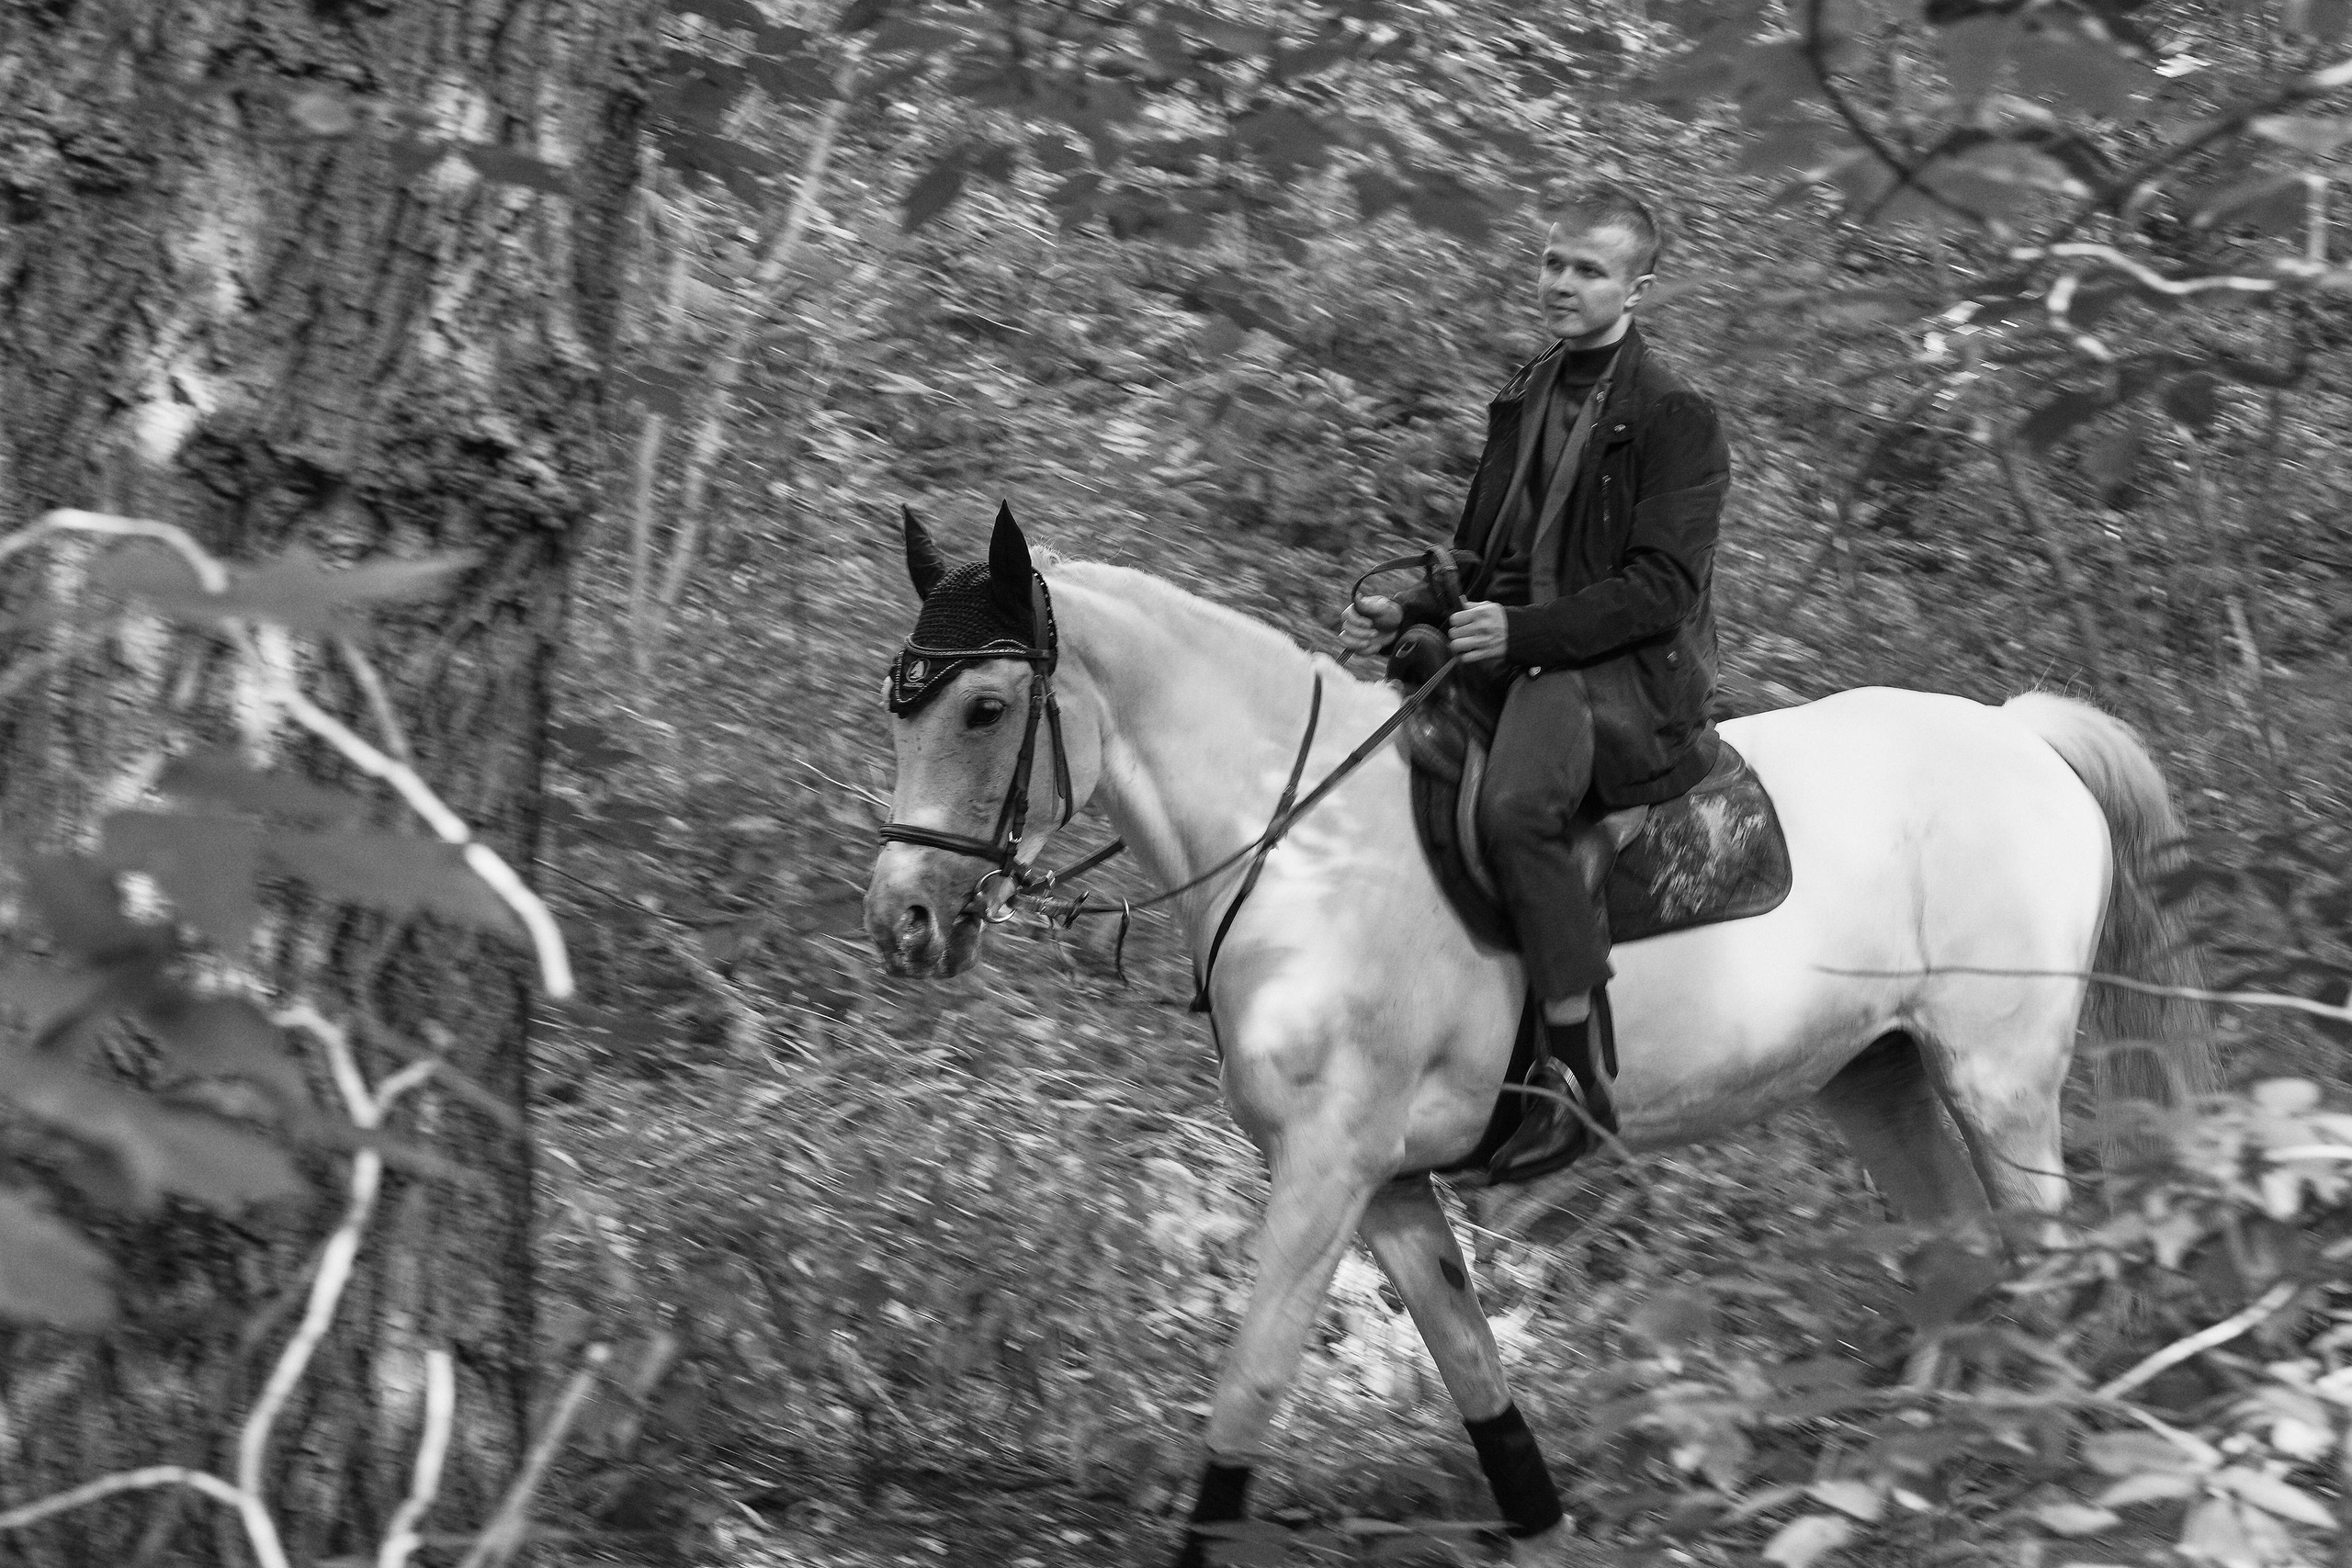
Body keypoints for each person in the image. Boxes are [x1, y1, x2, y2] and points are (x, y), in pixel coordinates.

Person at [1343, 182, 1732, 1182]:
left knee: (1517, 808)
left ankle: (1574, 1072)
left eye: (1587, 270)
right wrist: (1421, 614)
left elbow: (1661, 588)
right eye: (1553, 262)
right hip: (1517, 646)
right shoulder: (1524, 392)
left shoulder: (1674, 414)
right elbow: (1485, 557)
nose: (1561, 283)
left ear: (1637, 288)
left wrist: (1519, 633)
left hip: (1619, 673)